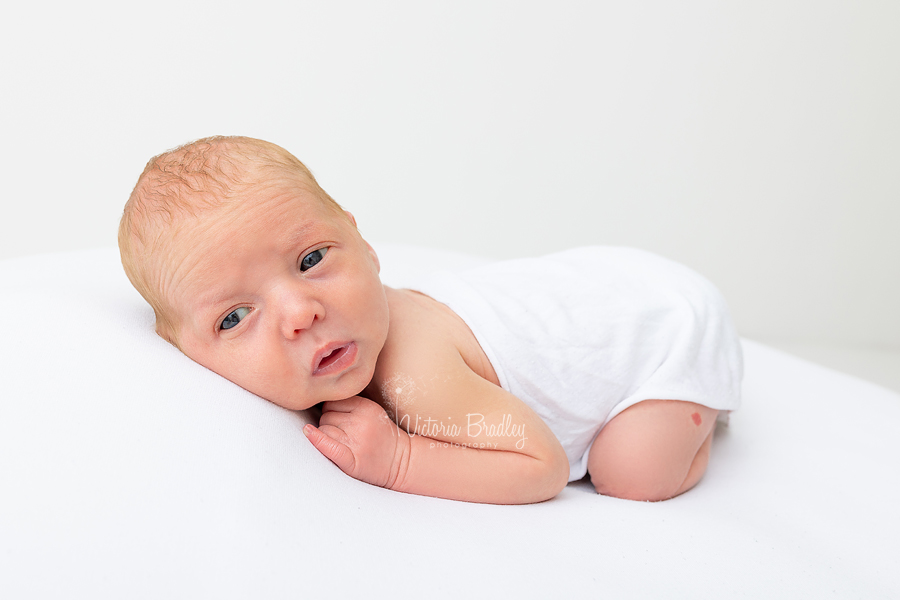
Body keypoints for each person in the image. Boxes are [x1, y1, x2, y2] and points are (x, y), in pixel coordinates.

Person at [118, 136, 742, 504]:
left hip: (661, 321)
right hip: (596, 287)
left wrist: (399, 461)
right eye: (234, 317)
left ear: (364, 245)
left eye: (311, 259)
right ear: (184, 351)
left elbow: (542, 466)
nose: (300, 312)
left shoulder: (415, 377)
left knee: (628, 473)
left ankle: (698, 411)